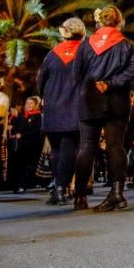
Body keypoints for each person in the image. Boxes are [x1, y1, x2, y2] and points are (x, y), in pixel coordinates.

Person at [72, 6, 134, 211]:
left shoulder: (85, 46)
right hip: (116, 100)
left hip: (90, 98)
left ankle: (80, 195)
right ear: (120, 23)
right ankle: (117, 193)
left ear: (100, 22)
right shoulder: (127, 46)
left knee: (87, 146)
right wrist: (112, 83)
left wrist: (92, 84)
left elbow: (77, 72)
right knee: (115, 146)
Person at [37, 17, 85, 205]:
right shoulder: (83, 54)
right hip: (74, 108)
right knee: (68, 150)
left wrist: (47, 97)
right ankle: (60, 189)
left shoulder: (51, 55)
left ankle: (57, 186)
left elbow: (40, 81)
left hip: (52, 109)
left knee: (56, 151)